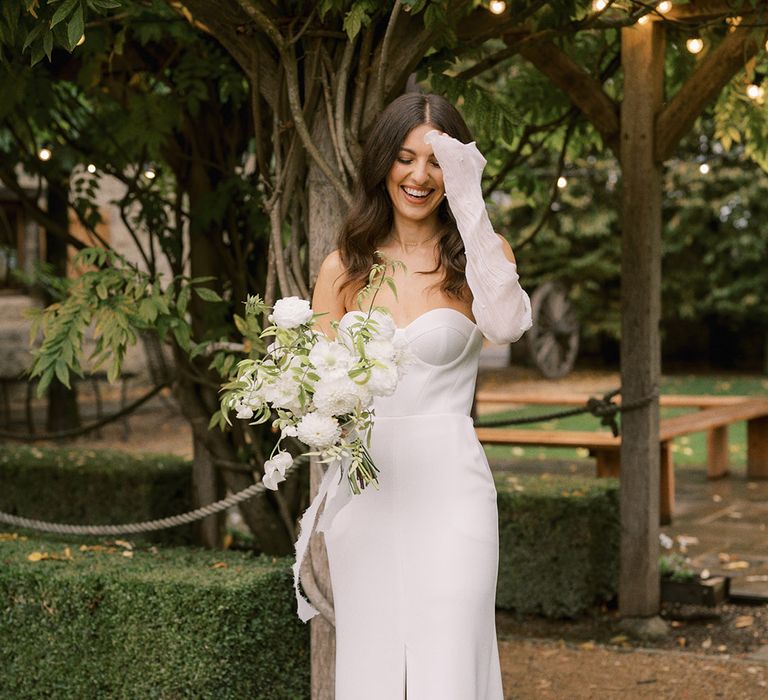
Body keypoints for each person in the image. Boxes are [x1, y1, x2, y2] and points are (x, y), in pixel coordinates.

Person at [306, 92, 532, 699]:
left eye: (437, 162)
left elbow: (508, 325)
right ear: (383, 163)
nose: (419, 176)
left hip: (452, 491)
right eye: (405, 158)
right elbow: (318, 392)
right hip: (368, 493)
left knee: (451, 654)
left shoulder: (480, 259)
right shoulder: (343, 267)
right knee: (375, 663)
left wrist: (472, 203)